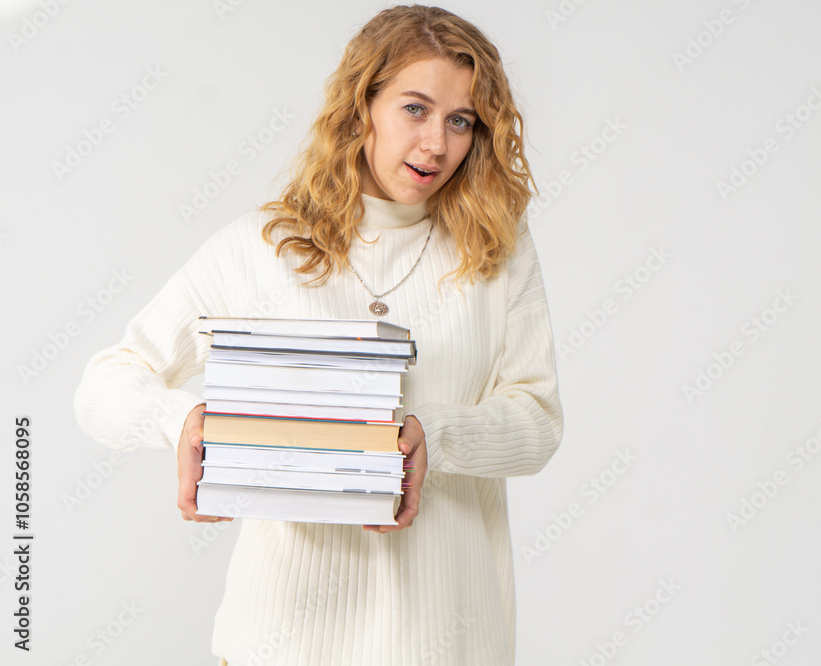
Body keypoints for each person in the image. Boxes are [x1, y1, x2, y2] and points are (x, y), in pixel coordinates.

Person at [73, 5, 563, 665]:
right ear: (363, 105)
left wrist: (432, 436)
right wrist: (182, 420)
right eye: (414, 109)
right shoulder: (265, 245)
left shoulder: (494, 248)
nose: (436, 145)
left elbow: (537, 422)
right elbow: (105, 384)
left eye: (460, 120)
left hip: (448, 644)